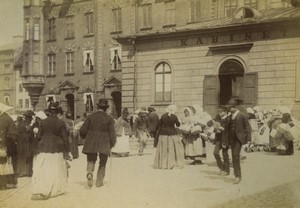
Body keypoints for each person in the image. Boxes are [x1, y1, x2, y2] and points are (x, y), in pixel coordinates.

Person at [31, 102, 70, 200]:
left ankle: (43, 188)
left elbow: (38, 136)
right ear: (57, 112)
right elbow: (65, 138)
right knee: (56, 169)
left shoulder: (42, 122)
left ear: (49, 111)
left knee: (44, 169)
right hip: (57, 147)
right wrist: (68, 150)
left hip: (44, 147)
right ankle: (55, 189)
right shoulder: (61, 122)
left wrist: (36, 148)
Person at [80, 98, 116, 188]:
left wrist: (85, 137)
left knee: (91, 159)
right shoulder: (109, 119)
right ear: (106, 108)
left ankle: (89, 173)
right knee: (103, 162)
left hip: (91, 141)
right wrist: (112, 144)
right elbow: (112, 134)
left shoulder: (90, 117)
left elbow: (83, 130)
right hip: (104, 142)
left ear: (97, 106)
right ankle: (99, 182)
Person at [226, 98, 251, 184]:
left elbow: (248, 128)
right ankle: (236, 174)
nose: (229, 109)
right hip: (232, 139)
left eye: (231, 108)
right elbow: (227, 130)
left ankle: (238, 176)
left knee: (235, 154)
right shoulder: (229, 117)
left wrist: (248, 140)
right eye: (229, 108)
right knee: (234, 156)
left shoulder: (243, 116)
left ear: (235, 107)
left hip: (239, 139)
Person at [154, 105, 184, 169]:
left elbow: (159, 125)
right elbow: (178, 125)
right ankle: (172, 163)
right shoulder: (174, 116)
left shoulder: (163, 116)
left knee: (164, 149)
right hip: (172, 134)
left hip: (163, 134)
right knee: (172, 149)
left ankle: (163, 164)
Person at [0, 103, 17, 190]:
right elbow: (13, 135)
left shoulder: (5, 119)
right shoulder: (8, 119)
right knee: (4, 165)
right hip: (5, 146)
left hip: (2, 145)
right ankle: (5, 184)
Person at [17, 110, 34, 177]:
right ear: (29, 118)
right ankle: (27, 172)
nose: (31, 119)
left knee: (21, 157)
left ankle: (21, 171)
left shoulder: (20, 124)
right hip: (28, 143)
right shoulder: (29, 126)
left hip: (20, 143)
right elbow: (31, 136)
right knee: (28, 157)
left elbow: (17, 133)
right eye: (31, 117)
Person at [213, 106, 230, 176]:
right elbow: (215, 127)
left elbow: (228, 130)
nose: (219, 113)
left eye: (221, 112)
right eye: (219, 112)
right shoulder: (218, 118)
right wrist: (215, 129)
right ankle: (221, 168)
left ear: (225, 112)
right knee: (215, 152)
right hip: (218, 138)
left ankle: (226, 170)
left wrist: (220, 128)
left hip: (225, 139)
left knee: (225, 154)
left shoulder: (228, 119)